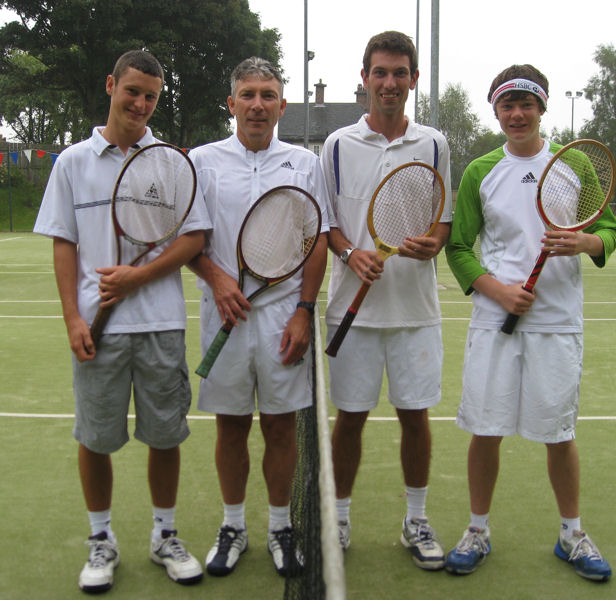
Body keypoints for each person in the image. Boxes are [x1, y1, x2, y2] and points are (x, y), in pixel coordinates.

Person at [33, 50, 209, 594]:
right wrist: (72, 319)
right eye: (132, 90)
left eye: (151, 95)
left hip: (159, 325)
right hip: (96, 329)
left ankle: (164, 534)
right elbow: (64, 245)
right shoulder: (72, 163)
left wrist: (139, 277)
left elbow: (193, 238)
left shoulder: (172, 162)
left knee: (164, 438)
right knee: (96, 440)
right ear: (111, 85)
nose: (140, 103)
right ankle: (100, 540)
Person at [444, 64, 616, 582]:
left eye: (526, 104)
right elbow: (458, 247)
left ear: (541, 109)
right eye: (507, 105)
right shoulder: (480, 171)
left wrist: (585, 242)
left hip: (558, 323)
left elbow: (606, 231)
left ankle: (571, 533)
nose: (517, 114)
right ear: (495, 111)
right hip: (494, 321)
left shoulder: (576, 165)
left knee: (559, 434)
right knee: (485, 430)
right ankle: (477, 529)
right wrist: (496, 290)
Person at [188, 57, 329, 578]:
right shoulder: (202, 161)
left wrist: (303, 310)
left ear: (282, 106)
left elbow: (317, 242)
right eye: (248, 94)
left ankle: (278, 526)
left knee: (280, 428)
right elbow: (189, 240)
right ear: (232, 103)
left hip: (281, 321)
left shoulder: (304, 164)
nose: (257, 104)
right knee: (229, 428)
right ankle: (232, 526)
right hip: (222, 312)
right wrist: (217, 278)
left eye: (268, 95)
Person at [320, 31, 452, 571]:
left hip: (415, 312)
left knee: (414, 417)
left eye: (400, 73)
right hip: (353, 311)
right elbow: (328, 226)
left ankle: (415, 520)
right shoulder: (336, 145)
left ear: (414, 80)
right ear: (365, 77)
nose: (390, 83)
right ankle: (340, 517)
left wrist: (431, 245)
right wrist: (351, 253)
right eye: (381, 72)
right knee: (348, 419)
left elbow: (441, 223)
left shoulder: (436, 144)